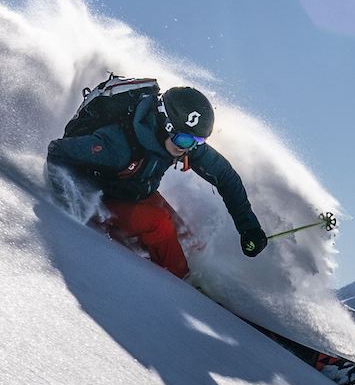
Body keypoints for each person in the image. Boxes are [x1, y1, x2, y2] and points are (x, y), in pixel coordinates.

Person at [46, 84, 267, 280]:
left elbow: (225, 176)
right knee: (160, 225)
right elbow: (58, 151)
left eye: (198, 142)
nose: (189, 148)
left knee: (188, 240)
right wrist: (66, 210)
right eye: (185, 140)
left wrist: (249, 228)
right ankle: (184, 287)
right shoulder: (117, 147)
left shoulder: (182, 142)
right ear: (166, 125)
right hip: (103, 201)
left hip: (135, 190)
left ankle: (192, 273)